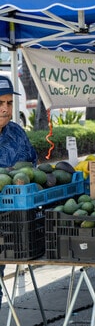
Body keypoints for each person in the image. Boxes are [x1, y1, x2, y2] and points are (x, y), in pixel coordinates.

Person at [0, 77, 38, 306]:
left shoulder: (16, 133)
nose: (5, 108)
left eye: (8, 103)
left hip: (10, 221)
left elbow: (32, 165)